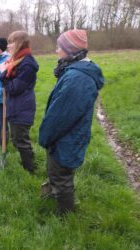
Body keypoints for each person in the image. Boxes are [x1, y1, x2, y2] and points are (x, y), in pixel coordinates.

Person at [39, 29, 104, 215]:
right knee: (59, 174)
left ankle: (66, 217)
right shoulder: (75, 71)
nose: (56, 51)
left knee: (61, 178)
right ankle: (56, 199)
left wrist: (45, 137)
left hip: (67, 139)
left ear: (71, 50)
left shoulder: (78, 78)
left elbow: (61, 116)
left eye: (59, 47)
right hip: (68, 137)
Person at [0, 31, 39, 173]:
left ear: (20, 44)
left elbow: (14, 88)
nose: (8, 46)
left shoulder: (28, 64)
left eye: (11, 42)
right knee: (16, 140)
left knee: (21, 141)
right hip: (14, 106)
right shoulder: (15, 61)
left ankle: (30, 170)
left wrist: (3, 73)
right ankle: (27, 162)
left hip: (22, 108)